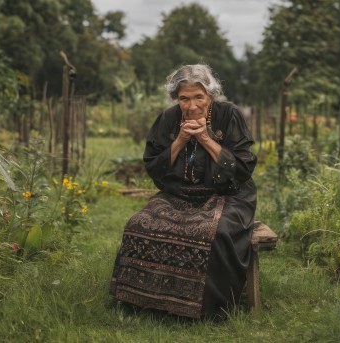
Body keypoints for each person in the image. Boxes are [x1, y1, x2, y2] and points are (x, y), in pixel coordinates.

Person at [110, 64, 257, 320]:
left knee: (218, 232)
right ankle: (142, 301)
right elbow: (154, 167)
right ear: (176, 99)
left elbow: (243, 167)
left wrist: (205, 139)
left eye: (199, 97)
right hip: (178, 194)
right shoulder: (168, 119)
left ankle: (210, 309)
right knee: (138, 224)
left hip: (228, 195)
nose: (191, 105)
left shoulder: (228, 115)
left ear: (210, 95)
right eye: (184, 98)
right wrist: (179, 140)